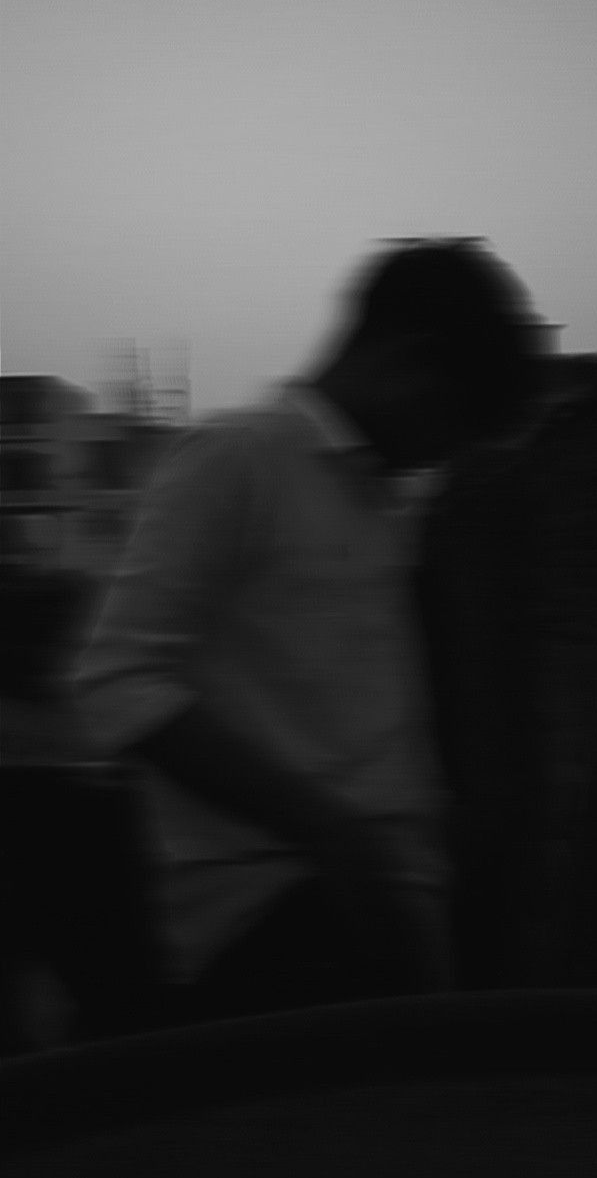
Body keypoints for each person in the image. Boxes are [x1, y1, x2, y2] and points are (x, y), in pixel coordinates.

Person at [73, 238, 540, 1021]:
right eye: (449, 423)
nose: (441, 454)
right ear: (406, 361)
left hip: (385, 910)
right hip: (277, 919)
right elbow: (117, 682)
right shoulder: (238, 458)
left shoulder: (386, 501)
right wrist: (333, 834)